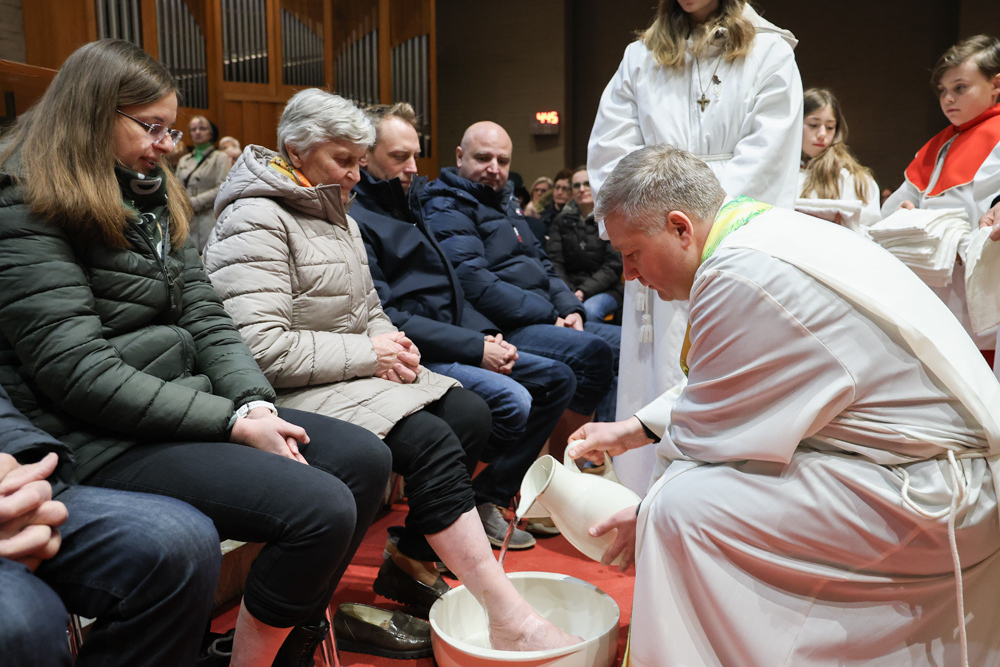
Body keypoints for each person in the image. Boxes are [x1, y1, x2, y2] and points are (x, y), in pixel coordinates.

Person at [0, 40, 392, 667]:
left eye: (171, 129)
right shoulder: (25, 200)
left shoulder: (150, 190)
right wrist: (230, 421)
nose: (165, 144)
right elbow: (77, 371)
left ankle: (260, 652)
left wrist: (253, 403)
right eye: (151, 127)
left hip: (181, 407)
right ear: (93, 114)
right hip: (96, 434)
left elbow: (206, 316)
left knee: (363, 459)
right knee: (319, 506)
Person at [568, 143, 1000, 666]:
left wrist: (645, 510)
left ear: (680, 227)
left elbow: (704, 444)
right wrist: (634, 428)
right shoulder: (760, 230)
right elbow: (738, 374)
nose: (628, 274)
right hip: (933, 465)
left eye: (632, 252)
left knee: (679, 506)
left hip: (936, 489)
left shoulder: (738, 272)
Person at [202, 89, 579, 652]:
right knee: (428, 441)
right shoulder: (254, 217)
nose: (357, 175)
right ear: (295, 151)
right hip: (282, 390)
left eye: (360, 161)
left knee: (470, 412)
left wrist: (394, 345)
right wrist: (368, 354)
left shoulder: (337, 213)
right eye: (344, 160)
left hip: (343, 372)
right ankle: (504, 611)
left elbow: (370, 310)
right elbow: (258, 349)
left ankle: (411, 561)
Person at [587, 0, 802, 493]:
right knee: (654, 374)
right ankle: (648, 502)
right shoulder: (639, 57)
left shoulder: (770, 51)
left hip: (725, 243)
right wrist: (655, 226)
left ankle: (716, 501)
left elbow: (769, 155)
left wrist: (699, 228)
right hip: (656, 236)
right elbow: (611, 154)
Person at [351, 102, 578, 550]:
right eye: (399, 157)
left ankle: (480, 495)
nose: (413, 168)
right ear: (364, 156)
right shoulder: (361, 219)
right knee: (510, 401)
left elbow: (453, 288)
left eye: (415, 155)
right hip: (416, 350)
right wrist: (477, 347)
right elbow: (392, 316)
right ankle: (451, 514)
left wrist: (486, 336)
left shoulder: (408, 204)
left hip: (456, 334)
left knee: (558, 378)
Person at [420, 120, 621, 446]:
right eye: (483, 158)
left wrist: (571, 308)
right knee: (592, 353)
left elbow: (544, 265)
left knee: (624, 346)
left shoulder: (505, 203)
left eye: (502, 161)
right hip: (502, 324)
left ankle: (601, 449)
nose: (494, 168)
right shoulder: (447, 204)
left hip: (537, 314)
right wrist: (550, 315)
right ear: (459, 156)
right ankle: (570, 457)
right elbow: (474, 282)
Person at [0, 383, 221, 667]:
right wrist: (228, 419)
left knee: (183, 542)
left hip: (15, 475)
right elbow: (84, 374)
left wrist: (16, 460)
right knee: (24, 622)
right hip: (110, 436)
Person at [882, 35, 1000, 362]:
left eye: (960, 88)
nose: (948, 99)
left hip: (981, 281)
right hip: (935, 282)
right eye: (942, 91)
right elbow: (895, 206)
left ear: (996, 84)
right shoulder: (938, 145)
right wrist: (903, 214)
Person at [546, 166, 624, 322]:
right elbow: (555, 262)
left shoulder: (609, 217)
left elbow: (613, 264)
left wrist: (583, 291)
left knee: (589, 312)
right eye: (576, 185)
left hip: (606, 288)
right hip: (569, 288)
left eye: (587, 184)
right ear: (571, 191)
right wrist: (567, 292)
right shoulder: (561, 221)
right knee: (548, 310)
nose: (581, 189)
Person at [796, 87, 880, 232]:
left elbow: (871, 231)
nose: (822, 134)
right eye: (813, 125)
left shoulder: (854, 180)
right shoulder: (779, 173)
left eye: (829, 127)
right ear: (795, 123)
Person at [175, 115, 232, 252]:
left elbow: (223, 187)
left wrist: (194, 202)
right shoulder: (184, 160)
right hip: (188, 220)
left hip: (209, 219)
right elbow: (176, 188)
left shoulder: (220, 157)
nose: (197, 132)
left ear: (211, 132)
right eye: (193, 129)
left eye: (202, 128)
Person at [529, 169, 572, 242]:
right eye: (557, 188)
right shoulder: (542, 215)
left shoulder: (576, 216)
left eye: (565, 189)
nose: (559, 192)